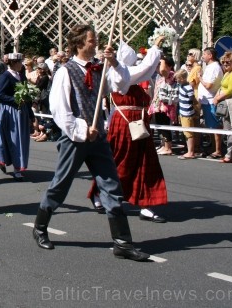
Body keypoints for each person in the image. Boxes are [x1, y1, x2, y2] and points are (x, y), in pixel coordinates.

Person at [31, 24, 149, 261]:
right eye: (91, 41)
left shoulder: (100, 68)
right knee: (60, 184)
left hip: (98, 138)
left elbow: (122, 84)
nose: (96, 44)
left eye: (96, 40)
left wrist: (114, 62)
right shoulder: (66, 71)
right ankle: (40, 227)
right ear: (78, 44)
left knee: (111, 185)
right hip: (76, 138)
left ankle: (122, 243)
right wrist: (84, 130)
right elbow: (59, 109)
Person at [87, 38, 169, 223]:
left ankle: (146, 204)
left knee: (145, 163)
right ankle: (100, 192)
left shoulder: (130, 72)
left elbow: (145, 69)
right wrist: (155, 46)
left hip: (139, 123)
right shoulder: (120, 74)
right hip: (125, 123)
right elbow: (146, 68)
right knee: (119, 162)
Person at [0, 52, 34, 181]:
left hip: (22, 111)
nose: (22, 64)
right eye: (20, 62)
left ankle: (13, 163)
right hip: (10, 111)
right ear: (13, 63)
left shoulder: (21, 76)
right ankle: (16, 168)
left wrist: (30, 113)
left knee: (21, 139)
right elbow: (0, 95)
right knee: (13, 139)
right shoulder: (5, 76)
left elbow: (26, 95)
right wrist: (15, 99)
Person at [212, 51, 232, 163]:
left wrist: (218, 98)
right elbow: (222, 87)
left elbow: (231, 90)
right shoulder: (227, 73)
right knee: (227, 129)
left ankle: (230, 154)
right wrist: (217, 96)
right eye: (223, 62)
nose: (225, 64)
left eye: (228, 62)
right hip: (226, 103)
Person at [149, 54, 179, 156]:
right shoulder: (160, 76)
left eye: (161, 64)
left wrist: (161, 58)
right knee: (159, 125)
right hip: (158, 104)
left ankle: (168, 147)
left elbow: (162, 70)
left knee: (164, 125)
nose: (159, 66)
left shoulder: (170, 74)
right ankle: (164, 145)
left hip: (165, 105)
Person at [198, 47, 224, 158]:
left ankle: (218, 149)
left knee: (215, 126)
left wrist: (200, 78)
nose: (203, 56)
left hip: (211, 100)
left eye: (204, 54)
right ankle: (213, 147)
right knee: (210, 126)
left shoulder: (214, 67)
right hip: (206, 100)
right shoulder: (209, 67)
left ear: (210, 55)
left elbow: (209, 85)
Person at [175, 69, 201, 159]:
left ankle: (191, 152)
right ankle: (189, 150)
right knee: (186, 133)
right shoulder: (181, 86)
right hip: (182, 112)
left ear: (182, 78)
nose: (176, 80)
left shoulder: (188, 88)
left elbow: (193, 99)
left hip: (187, 113)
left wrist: (196, 109)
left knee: (189, 133)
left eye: (178, 78)